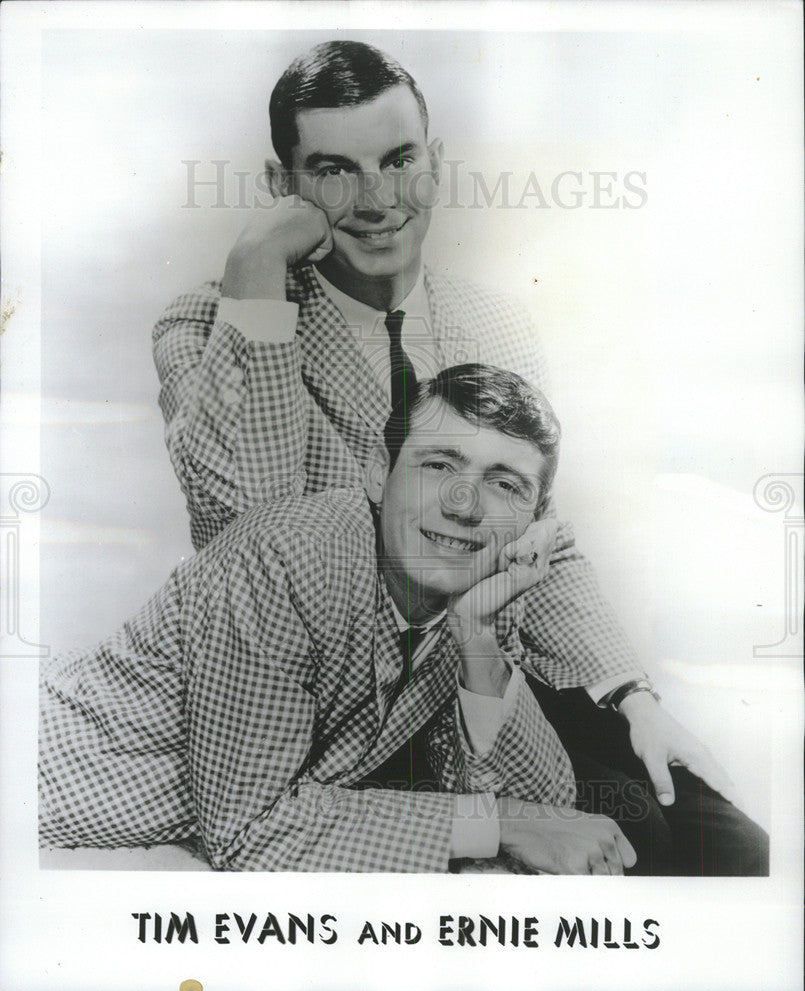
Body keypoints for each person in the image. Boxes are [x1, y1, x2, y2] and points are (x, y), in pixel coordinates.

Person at [152, 39, 718, 817]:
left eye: (397, 159)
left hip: (491, 697)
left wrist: (631, 695)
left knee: (715, 843)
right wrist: (255, 270)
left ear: (435, 161)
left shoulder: (495, 323)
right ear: (282, 186)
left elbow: (540, 535)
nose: (378, 198)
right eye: (333, 170)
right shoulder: (212, 324)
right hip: (335, 735)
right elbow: (245, 541)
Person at [40, 365, 767, 874]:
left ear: (534, 522)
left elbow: (548, 806)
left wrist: (478, 639)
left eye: (503, 484)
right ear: (374, 475)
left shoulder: (472, 589)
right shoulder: (286, 556)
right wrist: (498, 827)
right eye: (436, 465)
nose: (464, 504)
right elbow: (249, 831)